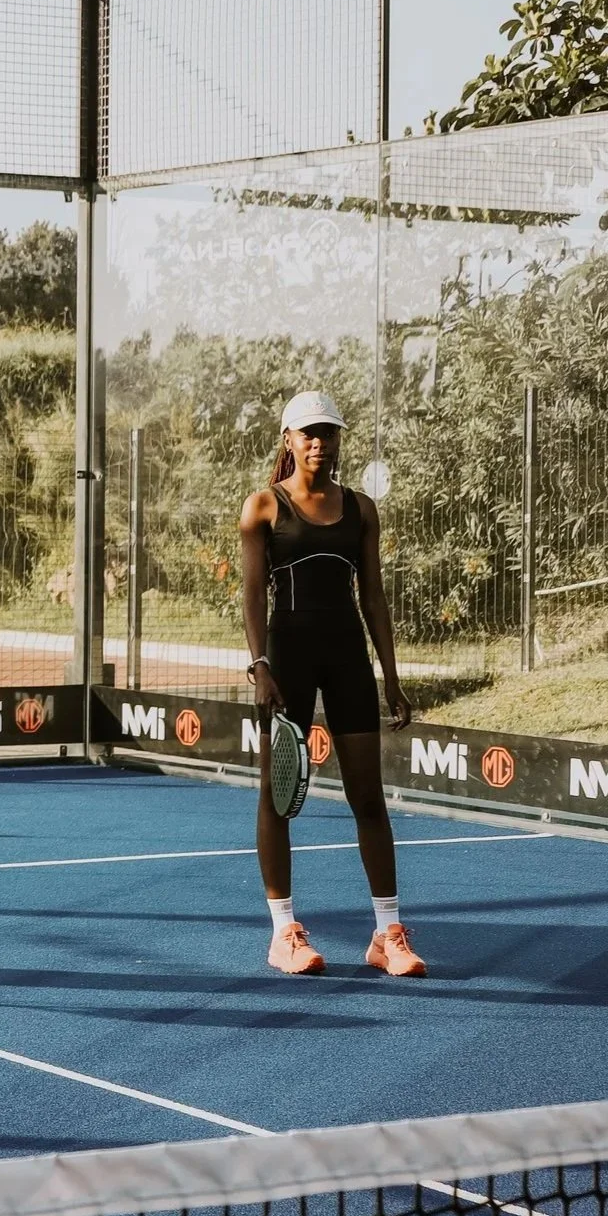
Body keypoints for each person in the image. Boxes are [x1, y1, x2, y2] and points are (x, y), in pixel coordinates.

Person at [238, 390, 424, 979]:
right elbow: (249, 593)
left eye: (329, 432)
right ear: (288, 440)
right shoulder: (264, 507)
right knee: (278, 797)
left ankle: (386, 934)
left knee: (367, 797)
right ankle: (283, 933)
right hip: (287, 660)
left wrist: (391, 677)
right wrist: (260, 664)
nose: (319, 442)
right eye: (308, 433)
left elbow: (373, 596)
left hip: (348, 659)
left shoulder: (362, 509)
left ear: (339, 440)